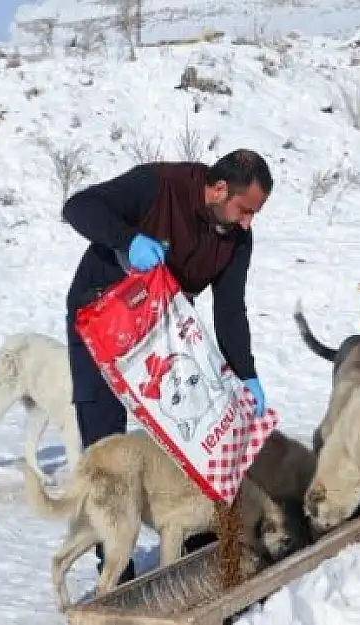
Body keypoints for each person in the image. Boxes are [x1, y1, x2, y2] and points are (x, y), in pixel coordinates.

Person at [60, 149, 273, 584]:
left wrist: (246, 373)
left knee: (192, 425)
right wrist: (126, 239)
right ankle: (115, 567)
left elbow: (230, 310)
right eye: (245, 209)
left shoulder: (237, 237)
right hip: (101, 316)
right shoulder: (158, 186)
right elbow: (78, 207)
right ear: (217, 189)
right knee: (108, 443)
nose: (249, 221)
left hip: (160, 329)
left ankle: (196, 542)